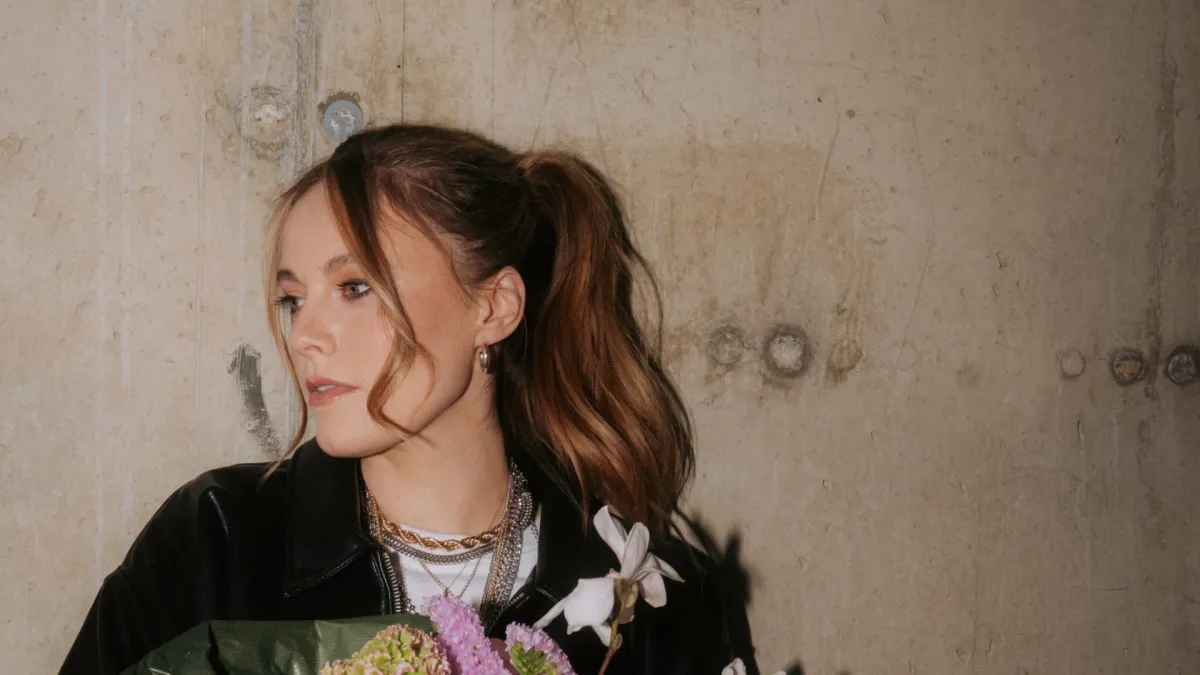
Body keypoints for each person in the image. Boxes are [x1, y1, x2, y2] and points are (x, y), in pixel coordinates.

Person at [59, 124, 760, 674]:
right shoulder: (218, 542)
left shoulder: (648, 598)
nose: (304, 336)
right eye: (294, 299)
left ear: (493, 307)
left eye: (355, 287)